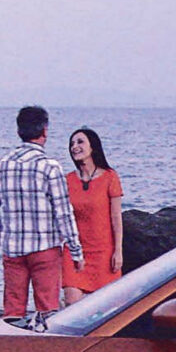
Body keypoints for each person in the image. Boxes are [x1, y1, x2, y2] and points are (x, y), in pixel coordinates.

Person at [0, 106, 84, 318]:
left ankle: (12, 338)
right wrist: (75, 250)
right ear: (44, 131)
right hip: (45, 247)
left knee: (13, 310)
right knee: (47, 309)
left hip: (13, 248)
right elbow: (63, 212)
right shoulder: (50, 167)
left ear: (19, 130)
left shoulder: (1, 165)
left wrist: (2, 238)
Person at [61, 127, 124, 304]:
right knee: (72, 305)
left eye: (80, 142)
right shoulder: (67, 180)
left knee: (106, 307)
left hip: (104, 252)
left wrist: (118, 251)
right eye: (72, 144)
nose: (74, 147)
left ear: (93, 147)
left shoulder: (110, 177)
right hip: (75, 251)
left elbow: (116, 218)